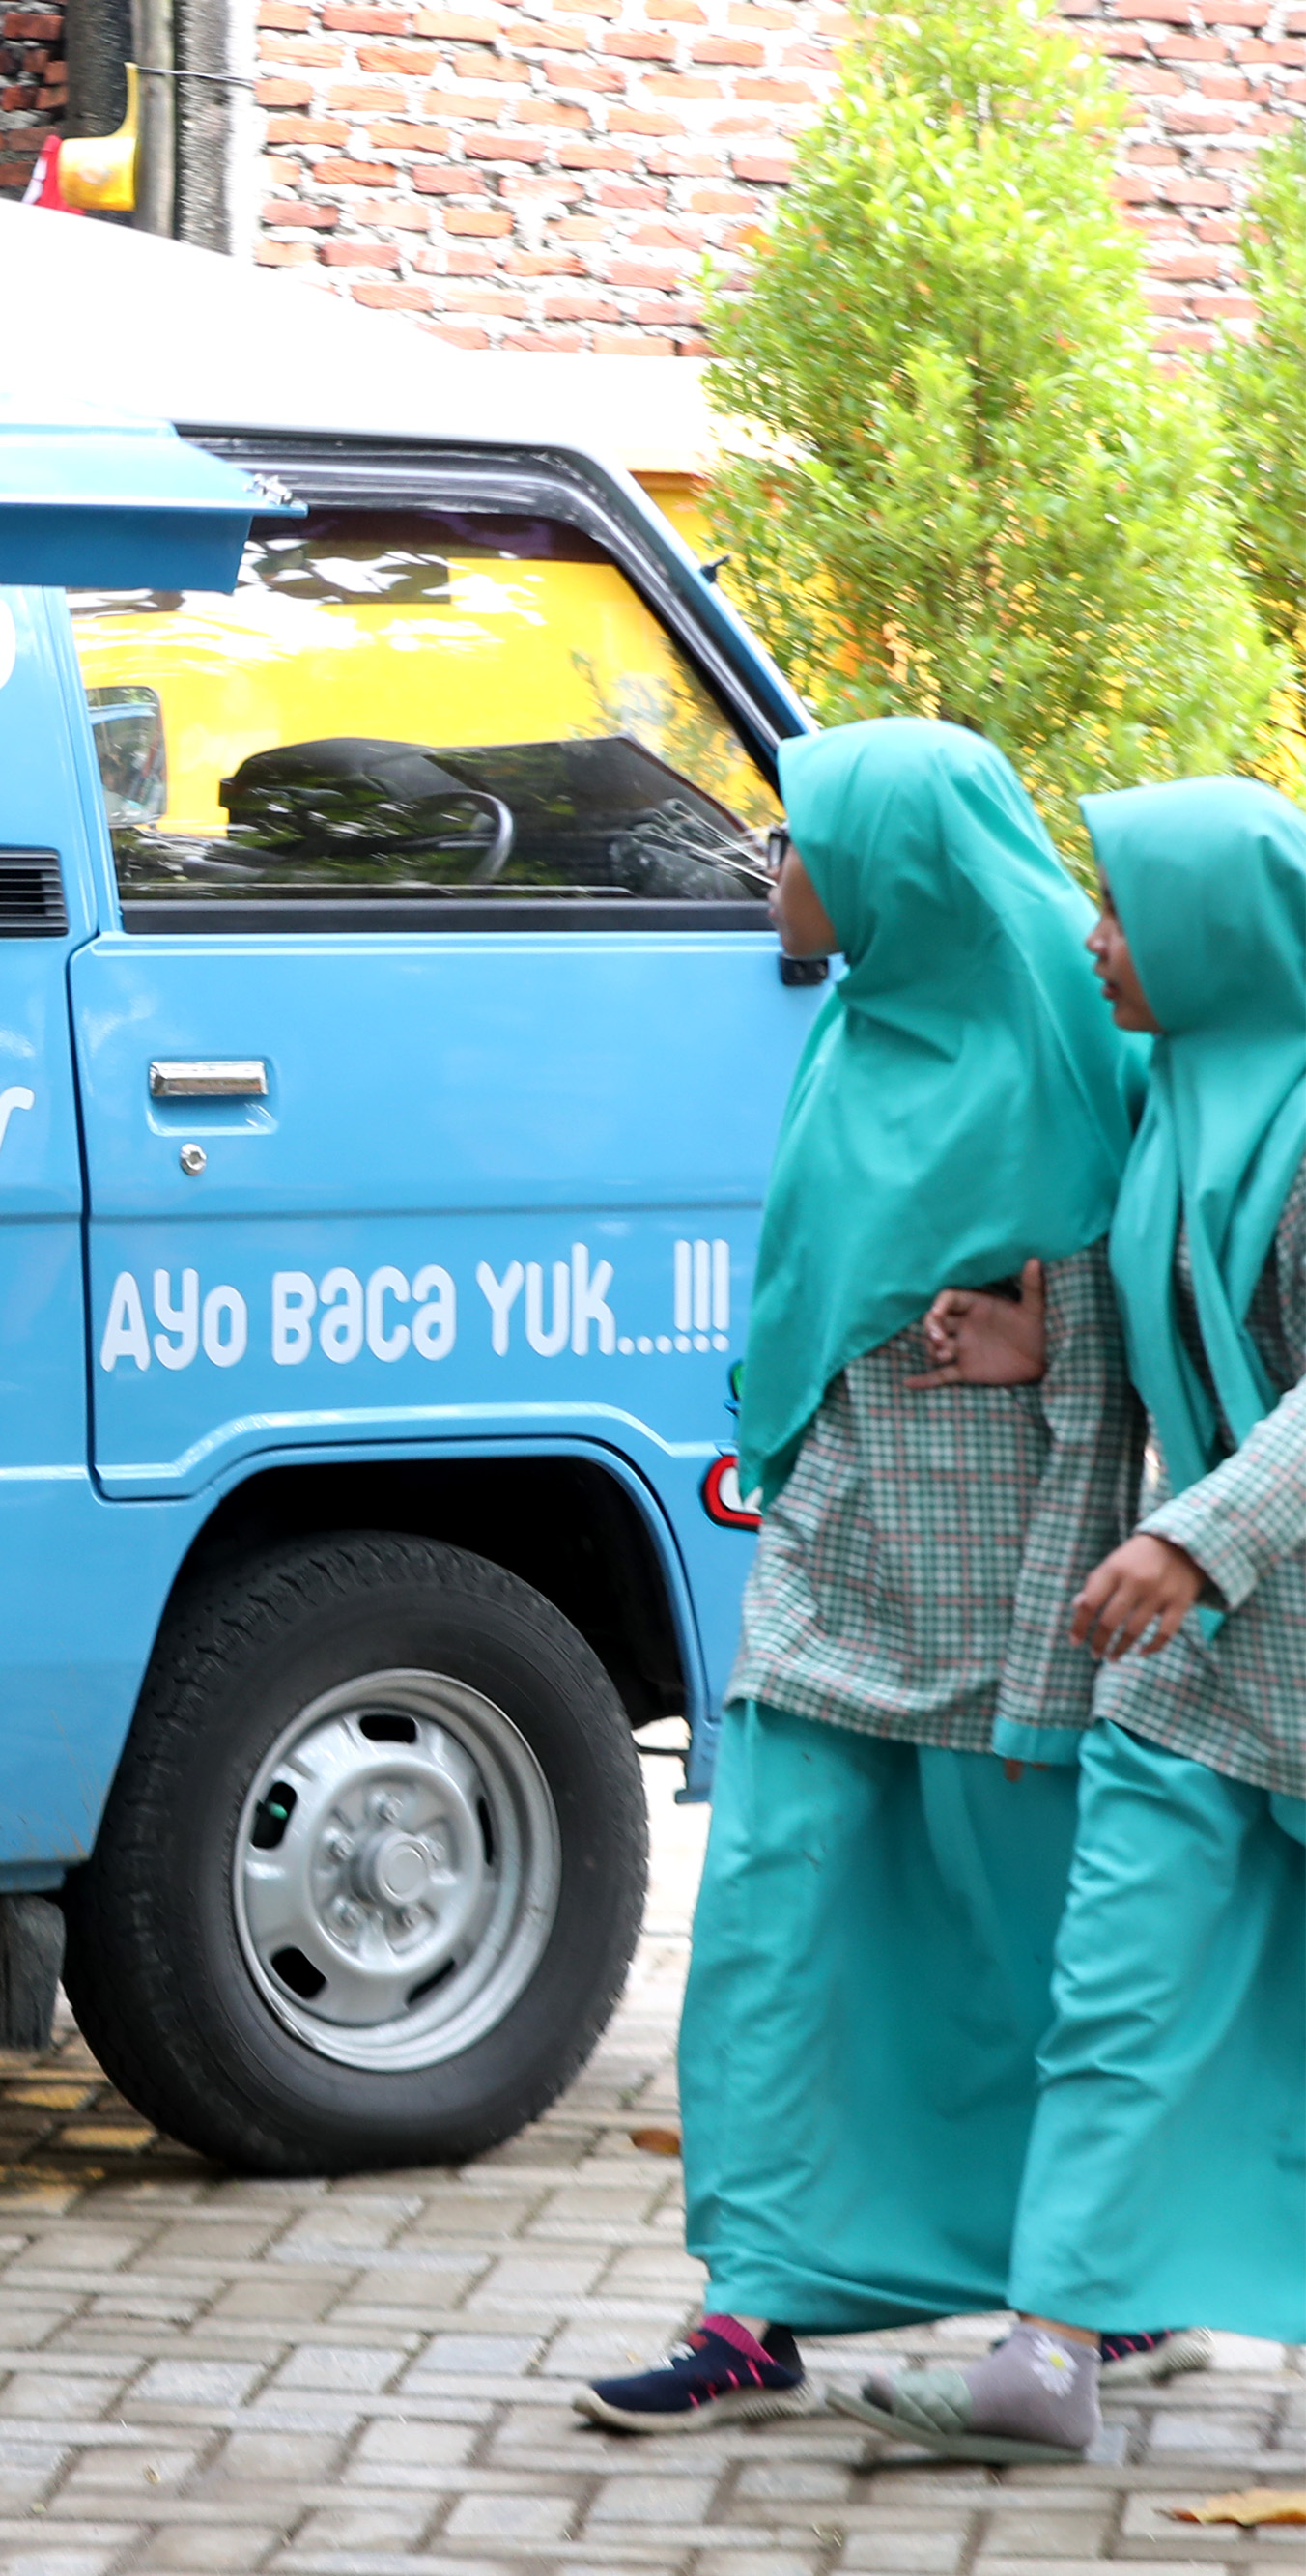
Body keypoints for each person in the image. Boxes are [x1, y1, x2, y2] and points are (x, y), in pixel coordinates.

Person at [564, 721, 1154, 2438]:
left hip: (1011, 1584)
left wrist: (1062, 1328)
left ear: (895, 865)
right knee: (770, 1913)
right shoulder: (855, 1031)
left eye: (800, 839)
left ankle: (1088, 2291)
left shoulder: (1076, 1054)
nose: (776, 870)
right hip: (835, 1554)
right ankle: (750, 2308)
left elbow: (1190, 1291)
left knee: (1017, 1945)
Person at [838, 775, 1306, 2464]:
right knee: (1114, 1988)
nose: (1097, 941)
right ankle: (1048, 2349)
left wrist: (1192, 1537)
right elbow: (1154, 1304)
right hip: (1206, 1664)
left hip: (1250, 1600)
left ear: (1219, 938)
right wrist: (1044, 1353)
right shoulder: (1178, 1096)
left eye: (1128, 916)